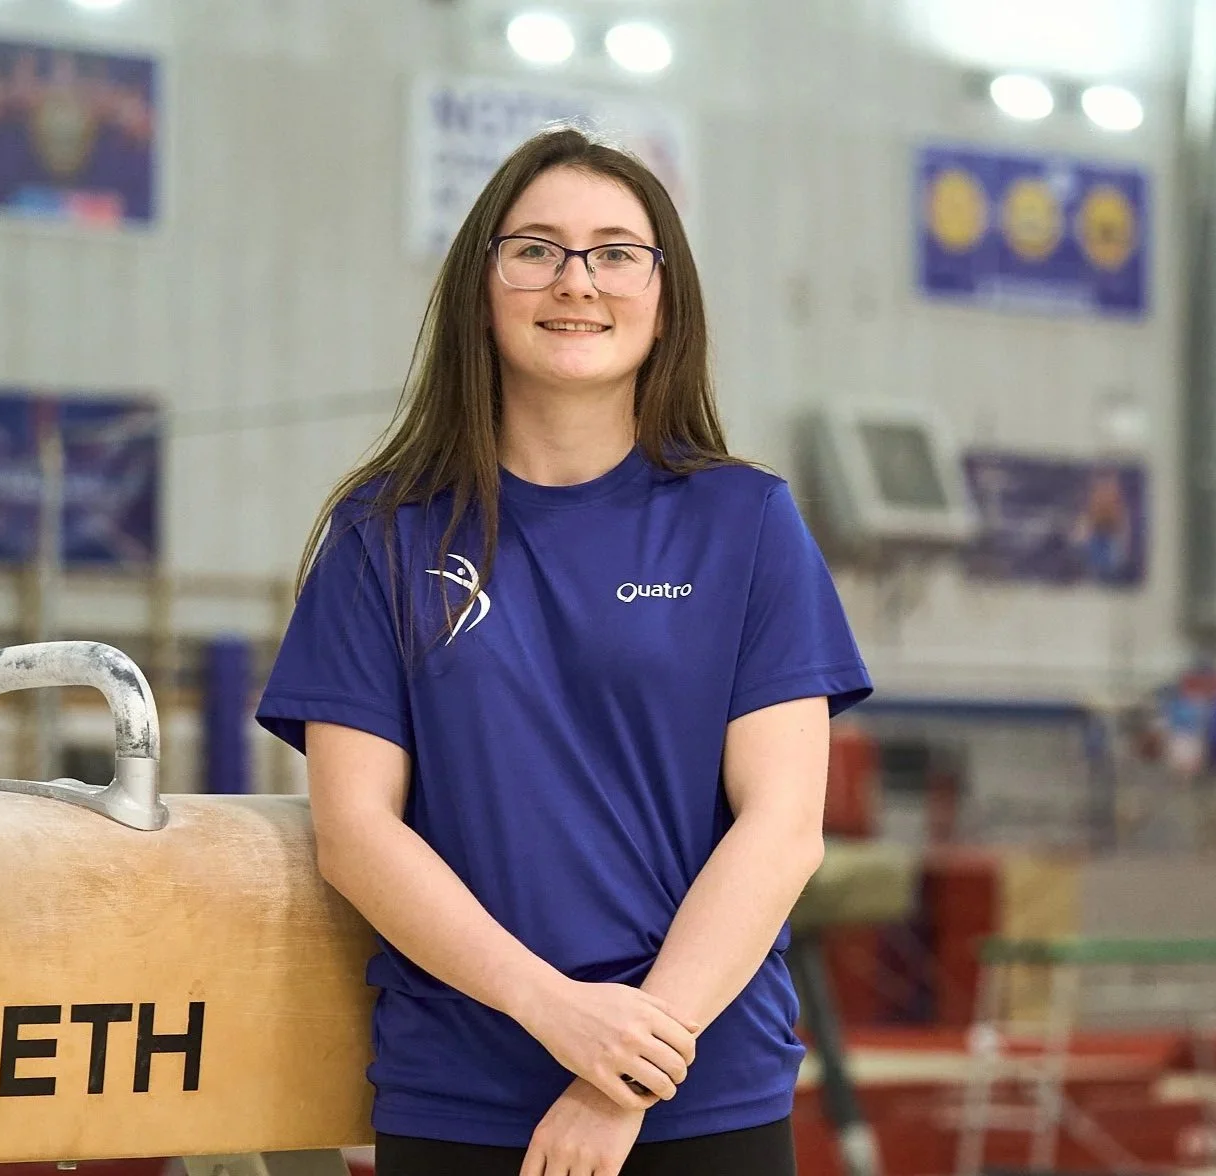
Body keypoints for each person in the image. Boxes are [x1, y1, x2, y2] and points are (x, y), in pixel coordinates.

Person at [255, 126, 872, 1176]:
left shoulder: (747, 523)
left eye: (616, 251)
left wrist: (621, 1070)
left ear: (664, 294)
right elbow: (357, 833)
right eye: (535, 248)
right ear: (480, 288)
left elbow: (782, 829)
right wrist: (560, 1017)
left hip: (699, 1085)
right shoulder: (386, 535)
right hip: (467, 1087)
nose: (575, 280)